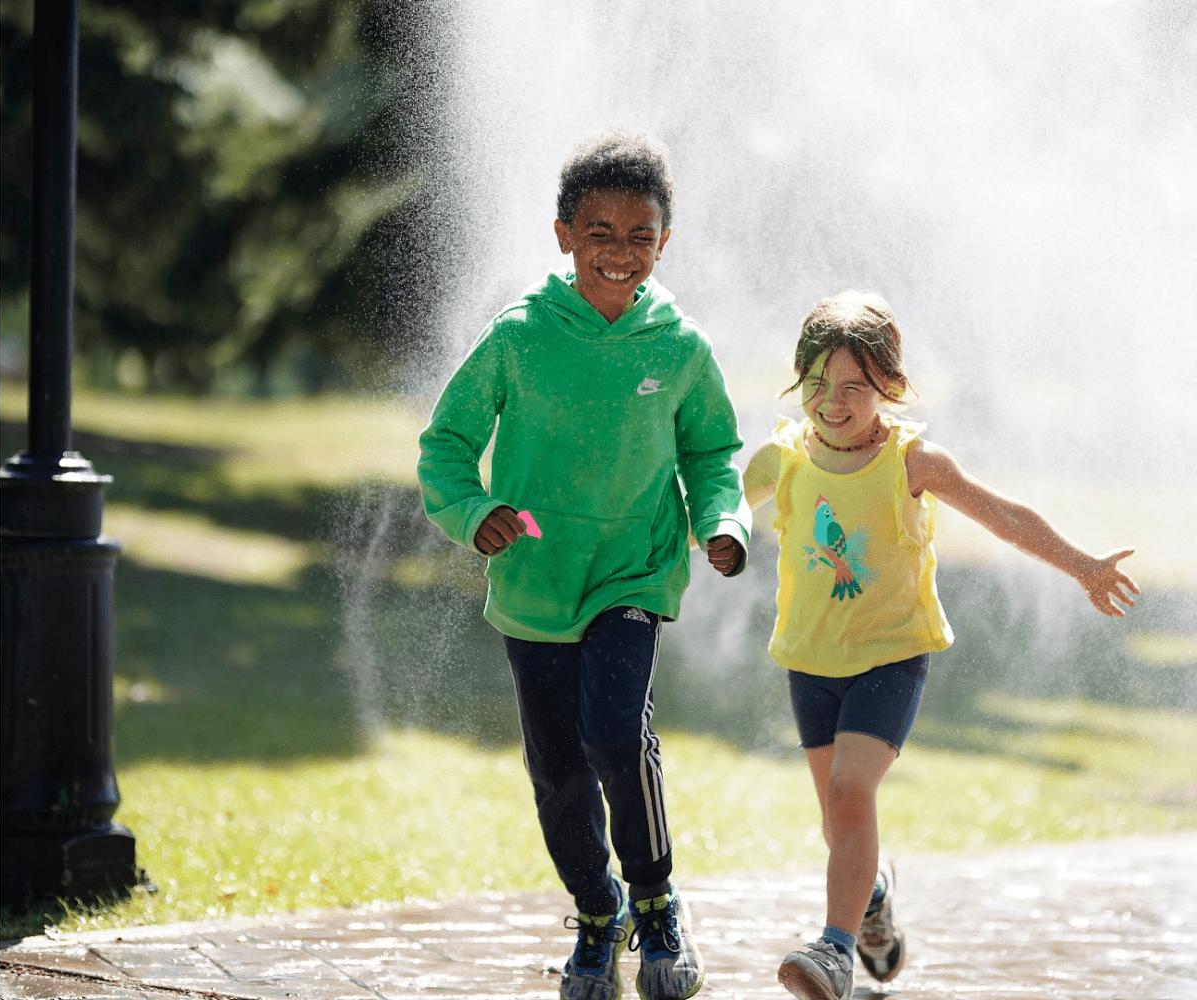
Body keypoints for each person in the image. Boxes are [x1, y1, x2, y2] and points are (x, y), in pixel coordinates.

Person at [417, 127, 751, 1000]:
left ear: (664, 242)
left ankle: (655, 900)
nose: (620, 254)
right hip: (535, 581)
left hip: (634, 574)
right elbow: (447, 444)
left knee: (614, 733)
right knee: (558, 765)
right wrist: (474, 512)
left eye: (640, 236)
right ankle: (596, 913)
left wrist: (723, 520)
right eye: (599, 233)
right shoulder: (519, 335)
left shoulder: (680, 347)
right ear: (564, 235)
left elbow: (714, 453)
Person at [741, 290, 1138, 1000]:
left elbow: (1004, 517)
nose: (832, 402)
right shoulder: (782, 458)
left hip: (892, 655)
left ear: (888, 387)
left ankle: (832, 950)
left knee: (850, 791)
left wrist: (1082, 566)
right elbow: (721, 512)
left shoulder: (911, 462)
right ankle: (871, 908)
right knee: (841, 821)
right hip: (810, 659)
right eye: (817, 385)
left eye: (853, 388)